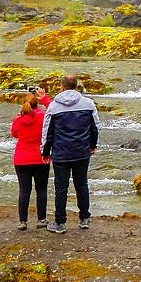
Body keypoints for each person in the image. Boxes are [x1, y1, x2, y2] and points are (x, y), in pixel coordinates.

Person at [40, 73, 99, 233]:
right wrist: (92, 145)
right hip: (81, 151)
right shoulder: (88, 103)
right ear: (76, 86)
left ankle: (60, 222)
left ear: (62, 86)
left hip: (61, 153)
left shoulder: (54, 106)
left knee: (61, 188)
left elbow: (47, 131)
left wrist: (44, 151)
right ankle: (84, 218)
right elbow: (95, 126)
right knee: (82, 185)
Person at [10, 86, 51, 230]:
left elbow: (14, 134)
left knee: (24, 190)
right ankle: (41, 219)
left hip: (21, 158)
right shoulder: (42, 117)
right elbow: (54, 110)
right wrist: (44, 98)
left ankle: (23, 221)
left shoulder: (17, 120)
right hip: (40, 157)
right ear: (37, 104)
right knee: (41, 189)